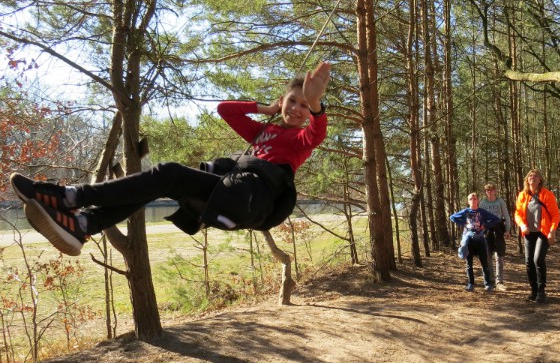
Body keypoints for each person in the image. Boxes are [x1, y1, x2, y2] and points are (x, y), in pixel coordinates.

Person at [10, 62, 331, 256]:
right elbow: (224, 110)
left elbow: (317, 132)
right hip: (231, 191)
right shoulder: (264, 133)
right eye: (293, 101)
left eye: (304, 106)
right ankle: (84, 224)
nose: (297, 109)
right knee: (157, 183)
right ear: (282, 100)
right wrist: (266, 109)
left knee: (168, 172)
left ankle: (71, 197)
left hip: (246, 200)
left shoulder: (300, 140)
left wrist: (316, 105)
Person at [514, 169, 560, 304]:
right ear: (527, 180)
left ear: (540, 180)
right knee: (528, 262)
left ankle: (541, 291)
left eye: (535, 176)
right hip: (529, 232)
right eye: (530, 176)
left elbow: (555, 215)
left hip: (543, 232)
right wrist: (522, 225)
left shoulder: (547, 195)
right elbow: (517, 213)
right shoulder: (523, 195)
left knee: (538, 259)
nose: (532, 178)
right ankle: (533, 290)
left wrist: (552, 230)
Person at [450, 193, 500, 292]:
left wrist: (485, 226)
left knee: (484, 263)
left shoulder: (482, 212)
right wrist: (464, 223)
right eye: (470, 199)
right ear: (468, 201)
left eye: (475, 198)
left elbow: (495, 219)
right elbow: (452, 217)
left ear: (478, 201)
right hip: (468, 240)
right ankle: (471, 284)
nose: (473, 200)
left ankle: (488, 284)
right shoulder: (465, 212)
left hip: (480, 239)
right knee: (469, 264)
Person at [479, 183, 512, 291]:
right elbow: (480, 218)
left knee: (500, 255)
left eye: (491, 190)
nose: (489, 192)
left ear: (495, 191)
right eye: (487, 190)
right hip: (487, 230)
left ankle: (499, 281)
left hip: (498, 229)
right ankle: (490, 281)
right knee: (488, 255)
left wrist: (507, 230)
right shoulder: (483, 203)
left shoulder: (500, 201)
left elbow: (506, 215)